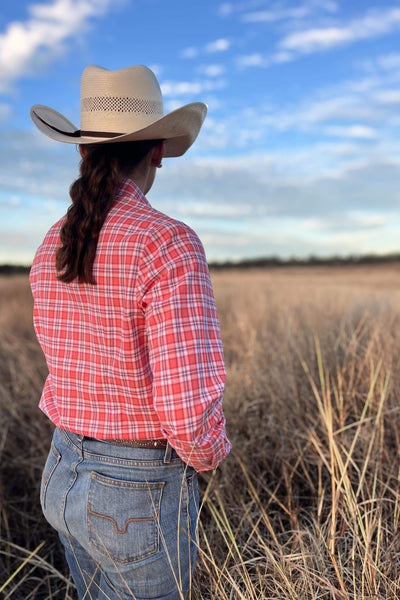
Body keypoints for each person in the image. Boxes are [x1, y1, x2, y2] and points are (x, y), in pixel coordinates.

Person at [29, 64, 231, 600]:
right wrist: (209, 455)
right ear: (158, 149)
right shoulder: (167, 243)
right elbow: (187, 411)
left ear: (82, 150)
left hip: (61, 471)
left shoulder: (51, 243)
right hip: (135, 492)